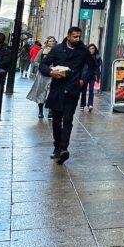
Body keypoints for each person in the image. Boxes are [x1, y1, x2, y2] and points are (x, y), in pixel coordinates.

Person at [38, 26, 92, 165]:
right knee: (56, 120)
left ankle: (64, 148)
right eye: (75, 36)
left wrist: (83, 80)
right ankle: (57, 146)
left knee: (68, 119)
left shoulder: (84, 51)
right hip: (57, 89)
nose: (78, 39)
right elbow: (43, 64)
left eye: (79, 36)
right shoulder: (57, 49)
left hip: (73, 89)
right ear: (68, 36)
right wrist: (51, 72)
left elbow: (91, 67)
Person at [80, 44, 102, 112]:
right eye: (90, 48)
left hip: (92, 75)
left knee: (91, 90)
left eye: (93, 48)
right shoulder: (84, 56)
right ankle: (82, 104)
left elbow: (98, 68)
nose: (91, 50)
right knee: (83, 91)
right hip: (85, 75)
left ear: (95, 50)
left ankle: (90, 104)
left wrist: (97, 76)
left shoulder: (97, 57)